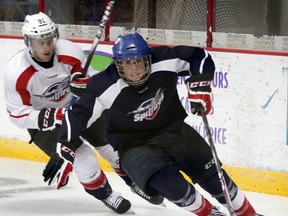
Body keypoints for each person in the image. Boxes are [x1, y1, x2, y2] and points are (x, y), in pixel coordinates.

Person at [42, 32, 263, 216]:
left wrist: (200, 82)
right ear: (118, 65)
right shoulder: (104, 85)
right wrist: (66, 144)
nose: (135, 69)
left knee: (216, 180)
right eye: (128, 64)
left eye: (139, 61)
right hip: (134, 147)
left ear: (147, 58)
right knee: (172, 186)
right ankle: (210, 213)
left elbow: (199, 55)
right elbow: (77, 114)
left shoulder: (163, 59)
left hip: (174, 131)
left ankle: (250, 215)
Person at [4, 13, 163, 214]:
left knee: (114, 145)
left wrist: (85, 85)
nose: (46, 47)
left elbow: (93, 83)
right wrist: (53, 116)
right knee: (83, 157)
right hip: (45, 123)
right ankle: (107, 195)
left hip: (79, 109)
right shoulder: (17, 72)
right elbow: (16, 114)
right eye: (39, 42)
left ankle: (134, 180)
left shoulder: (70, 51)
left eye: (50, 40)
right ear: (28, 42)